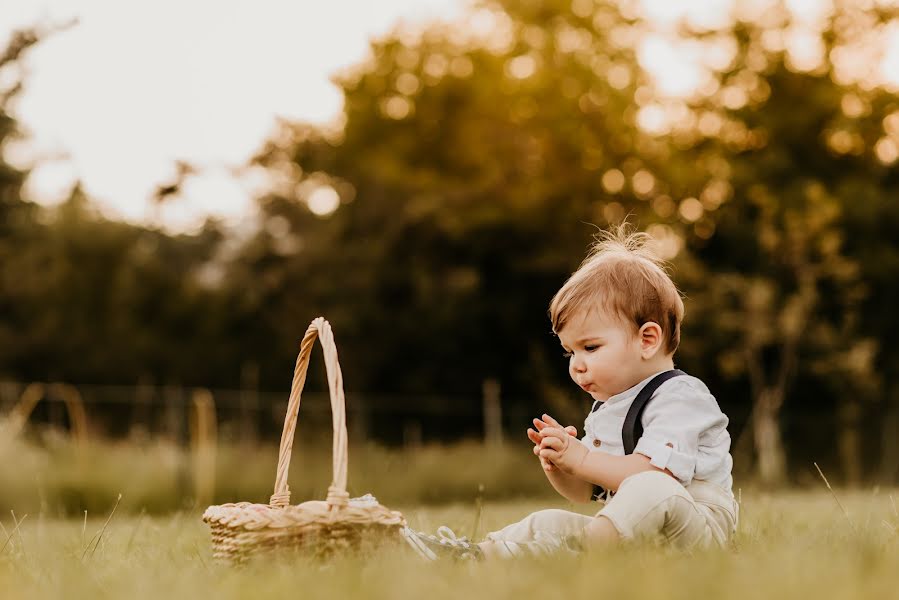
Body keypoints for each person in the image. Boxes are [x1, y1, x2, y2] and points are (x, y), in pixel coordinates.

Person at [402, 225, 738, 560]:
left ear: (647, 340)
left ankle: (573, 557)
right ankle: (474, 556)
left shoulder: (681, 397)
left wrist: (583, 458)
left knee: (652, 487)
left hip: (696, 532)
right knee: (545, 522)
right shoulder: (608, 408)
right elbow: (586, 492)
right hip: (643, 536)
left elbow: (654, 478)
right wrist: (563, 466)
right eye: (569, 352)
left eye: (590, 347)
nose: (576, 365)